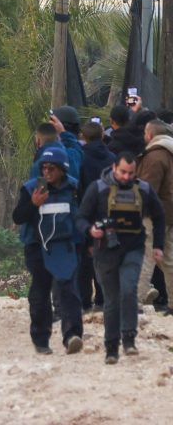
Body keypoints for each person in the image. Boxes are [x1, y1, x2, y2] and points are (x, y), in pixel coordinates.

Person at [76, 152, 165, 364]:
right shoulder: (98, 189)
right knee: (112, 299)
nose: (126, 177)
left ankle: (129, 340)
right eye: (123, 172)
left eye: (130, 173)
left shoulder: (143, 190)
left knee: (129, 290)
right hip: (105, 250)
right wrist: (90, 231)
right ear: (114, 168)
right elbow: (80, 218)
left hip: (134, 248)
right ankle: (111, 347)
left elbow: (159, 215)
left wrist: (158, 245)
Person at [12, 146, 84, 355]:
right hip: (37, 246)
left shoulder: (75, 188)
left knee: (68, 290)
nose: (47, 172)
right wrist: (33, 204)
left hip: (65, 246)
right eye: (44, 168)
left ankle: (72, 336)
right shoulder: (31, 189)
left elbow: (81, 217)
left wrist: (85, 245)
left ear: (62, 169)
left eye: (52, 168)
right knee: (40, 293)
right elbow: (18, 217)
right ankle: (41, 340)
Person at [137, 120, 173, 316]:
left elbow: (147, 189)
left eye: (144, 132)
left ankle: (135, 300)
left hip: (153, 214)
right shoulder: (169, 151)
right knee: (168, 260)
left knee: (145, 256)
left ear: (150, 134)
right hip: (170, 212)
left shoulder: (155, 156)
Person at [78, 120, 115, 311]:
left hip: (86, 211)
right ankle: (102, 298)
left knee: (85, 258)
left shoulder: (80, 158)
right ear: (102, 135)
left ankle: (85, 301)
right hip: (108, 210)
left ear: (83, 137)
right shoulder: (113, 158)